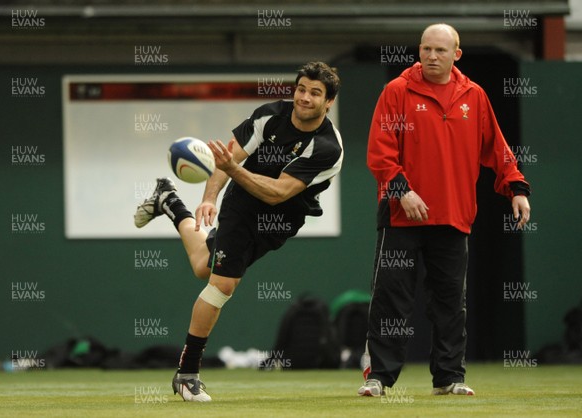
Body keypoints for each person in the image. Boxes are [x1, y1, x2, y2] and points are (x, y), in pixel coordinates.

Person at [134, 61, 343, 402]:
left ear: (328, 102)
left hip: (280, 220)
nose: (305, 97)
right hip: (242, 207)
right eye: (301, 89)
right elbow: (226, 157)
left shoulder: (327, 148)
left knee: (204, 266)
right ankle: (187, 373)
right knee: (222, 286)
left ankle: (169, 202)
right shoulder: (269, 116)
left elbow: (277, 192)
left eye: (315, 93)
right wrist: (209, 197)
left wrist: (233, 168)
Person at [358, 24, 531, 397]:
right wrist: (402, 191)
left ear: (457, 54)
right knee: (392, 299)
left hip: (454, 216)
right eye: (425, 49)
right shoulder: (397, 91)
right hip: (401, 217)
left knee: (451, 303)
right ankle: (378, 378)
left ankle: (449, 378)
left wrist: (515, 187)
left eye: (439, 50)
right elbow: (380, 151)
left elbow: (496, 148)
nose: (431, 57)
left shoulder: (475, 96)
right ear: (418, 51)